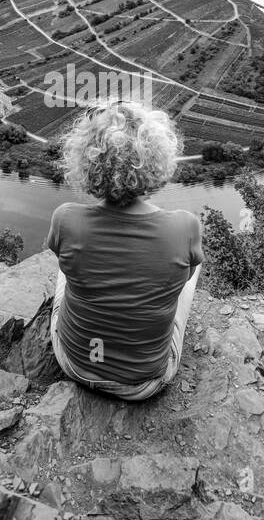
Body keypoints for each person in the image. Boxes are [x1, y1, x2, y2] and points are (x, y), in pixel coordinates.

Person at [45, 99, 203, 401]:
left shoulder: (66, 218)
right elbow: (184, 278)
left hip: (74, 363)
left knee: (67, 272)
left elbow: (63, 263)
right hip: (142, 383)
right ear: (157, 158)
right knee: (187, 272)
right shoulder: (184, 227)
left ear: (85, 162)